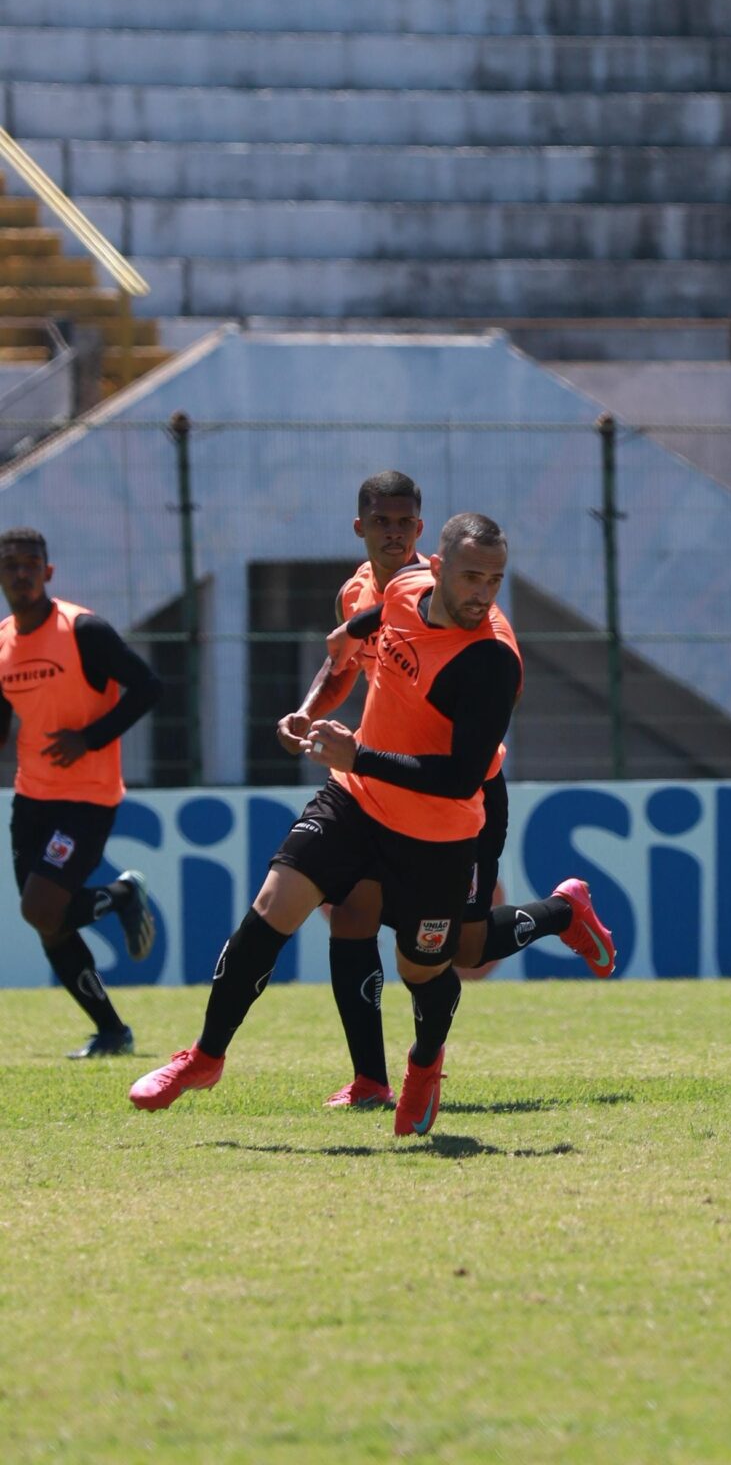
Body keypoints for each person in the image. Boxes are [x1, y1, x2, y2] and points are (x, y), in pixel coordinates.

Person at [132, 512, 523, 1138]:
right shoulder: (405, 586)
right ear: (439, 568)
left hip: (436, 831)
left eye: (495, 581)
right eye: (472, 577)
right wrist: (348, 631)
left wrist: (357, 753)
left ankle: (423, 1064)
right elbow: (384, 615)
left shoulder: (491, 661)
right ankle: (204, 1057)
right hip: (357, 799)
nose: (483, 594)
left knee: (424, 970)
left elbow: (459, 777)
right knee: (273, 904)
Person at [275, 472, 616, 1109]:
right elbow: (344, 659)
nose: (395, 534)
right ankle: (371, 1080)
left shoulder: (464, 611)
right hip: (375, 791)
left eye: (406, 524)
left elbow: (464, 760)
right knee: (351, 916)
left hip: (457, 798)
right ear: (362, 529)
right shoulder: (361, 592)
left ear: (423, 536)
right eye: (383, 523)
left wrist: (364, 751)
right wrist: (306, 710)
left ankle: (563, 911)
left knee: (462, 949)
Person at [0, 526, 160, 1057]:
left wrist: (88, 739)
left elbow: (149, 686)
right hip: (30, 799)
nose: (20, 572)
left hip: (86, 798)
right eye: (10, 564)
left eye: (30, 563)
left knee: (42, 909)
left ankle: (122, 895)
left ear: (47, 572)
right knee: (47, 923)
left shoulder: (83, 630)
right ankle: (112, 1032)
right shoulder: (3, 642)